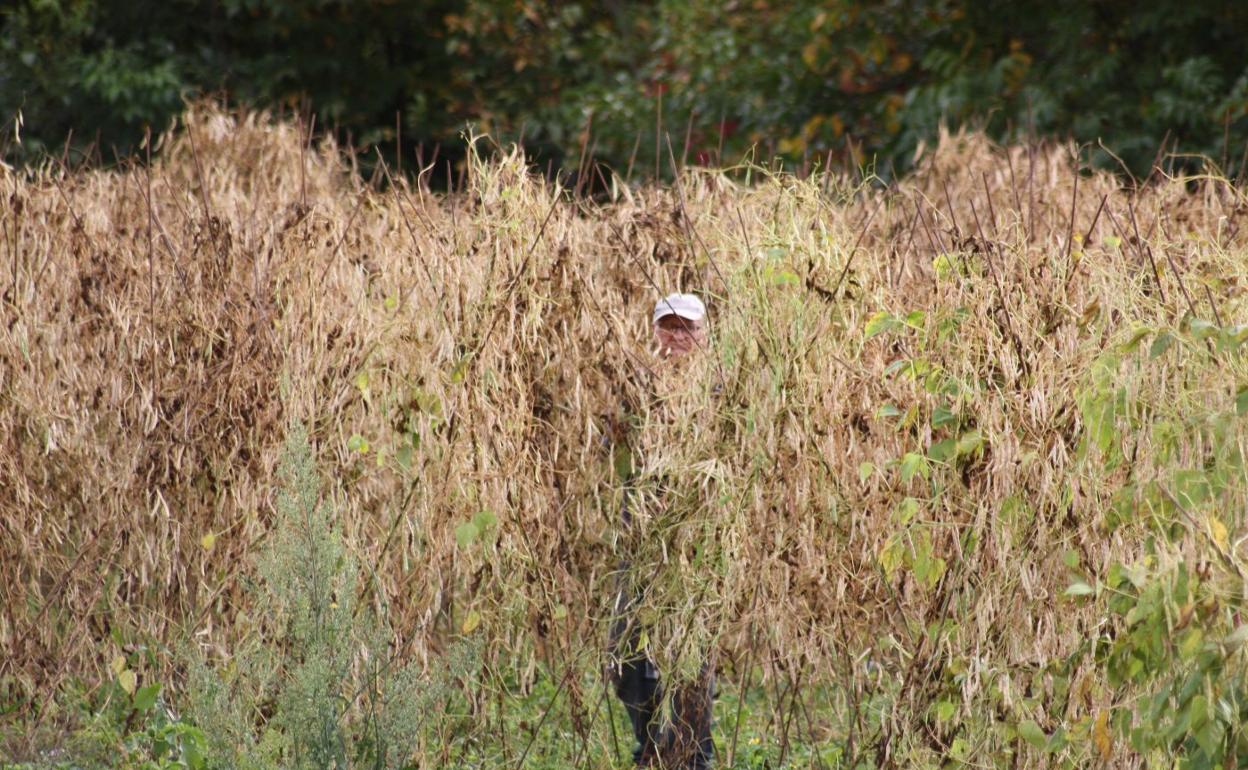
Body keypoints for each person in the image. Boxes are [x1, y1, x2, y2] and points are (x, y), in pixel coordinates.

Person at [608, 292, 716, 769]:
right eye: (668, 326)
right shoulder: (635, 393)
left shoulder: (718, 395)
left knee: (691, 658)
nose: (677, 336)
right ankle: (650, 749)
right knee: (628, 658)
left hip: (698, 549)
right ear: (654, 333)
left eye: (686, 327)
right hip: (642, 546)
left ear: (704, 335)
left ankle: (693, 756)